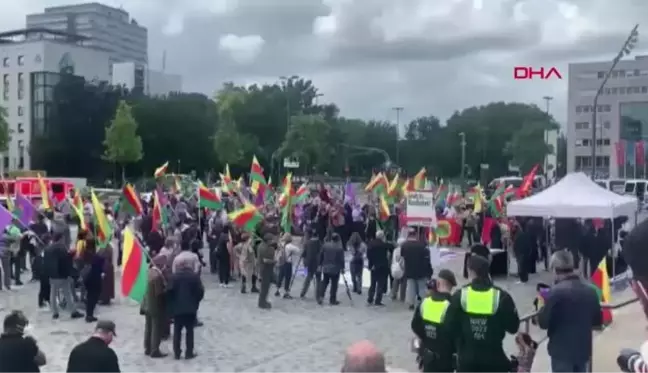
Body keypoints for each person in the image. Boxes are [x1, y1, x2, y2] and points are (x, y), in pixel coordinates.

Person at [445, 255, 519, 373]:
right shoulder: (501, 297)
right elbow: (513, 327)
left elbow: (448, 326)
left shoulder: (460, 296)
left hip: (467, 361)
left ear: (470, 271)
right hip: (494, 360)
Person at [537, 250, 602, 373]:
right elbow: (598, 321)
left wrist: (541, 305)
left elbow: (543, 323)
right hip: (582, 351)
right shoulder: (591, 291)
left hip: (561, 353)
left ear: (555, 269)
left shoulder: (554, 293)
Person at [411, 269, 457, 373]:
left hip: (428, 358)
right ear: (451, 286)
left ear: (438, 283)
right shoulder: (453, 305)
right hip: (447, 360)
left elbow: (415, 326)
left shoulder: (425, 302)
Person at [167, 260, 204, 359]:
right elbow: (200, 291)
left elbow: (169, 292)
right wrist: (195, 302)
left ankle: (177, 353)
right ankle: (189, 352)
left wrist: (172, 305)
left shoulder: (173, 277)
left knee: (177, 332)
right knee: (189, 332)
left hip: (177, 309)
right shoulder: (194, 277)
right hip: (190, 309)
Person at [43, 231, 83, 320]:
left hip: (52, 275)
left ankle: (55, 312)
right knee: (67, 293)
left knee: (53, 294)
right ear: (61, 239)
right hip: (62, 275)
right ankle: (73, 311)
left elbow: (46, 263)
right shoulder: (62, 248)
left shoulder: (47, 249)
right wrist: (71, 255)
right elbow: (65, 262)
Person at [141, 255, 168, 358]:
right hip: (155, 305)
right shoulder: (157, 276)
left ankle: (147, 347)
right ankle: (155, 350)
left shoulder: (148, 273)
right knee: (156, 328)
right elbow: (159, 293)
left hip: (146, 304)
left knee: (148, 327)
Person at [401, 229, 433, 310]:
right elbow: (427, 260)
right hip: (421, 271)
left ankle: (411, 303)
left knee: (411, 288)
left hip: (409, 270)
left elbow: (403, 257)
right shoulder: (422, 246)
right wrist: (429, 271)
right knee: (422, 288)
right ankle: (422, 303)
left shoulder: (404, 245)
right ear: (416, 235)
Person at [318, 233, 345, 305]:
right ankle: (332, 299)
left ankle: (321, 296)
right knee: (334, 285)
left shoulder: (325, 245)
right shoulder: (339, 248)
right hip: (335, 269)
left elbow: (321, 255)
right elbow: (341, 260)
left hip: (326, 267)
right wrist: (342, 268)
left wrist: (320, 264)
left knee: (324, 282)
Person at [366, 231, 390, 306]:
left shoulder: (370, 244)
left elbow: (368, 255)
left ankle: (370, 298)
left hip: (373, 266)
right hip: (382, 266)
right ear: (382, 236)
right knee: (380, 284)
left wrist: (371, 264)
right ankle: (378, 300)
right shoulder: (384, 245)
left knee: (372, 283)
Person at [275, 233, 300, 298]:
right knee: (287, 278)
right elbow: (298, 251)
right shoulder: (290, 246)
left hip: (281, 262)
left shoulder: (281, 244)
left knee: (280, 276)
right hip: (287, 263)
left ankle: (277, 290)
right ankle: (286, 292)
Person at [300, 229, 322, 299]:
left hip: (309, 264)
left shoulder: (307, 243)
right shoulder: (319, 243)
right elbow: (321, 254)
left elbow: (303, 254)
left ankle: (303, 293)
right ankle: (318, 296)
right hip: (317, 264)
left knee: (308, 279)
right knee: (318, 280)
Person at [257, 233, 277, 309]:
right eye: (271, 240)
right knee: (264, 288)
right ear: (268, 240)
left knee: (265, 287)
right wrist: (274, 261)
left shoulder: (262, 246)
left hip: (265, 269)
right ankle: (262, 303)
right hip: (265, 269)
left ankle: (263, 301)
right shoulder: (264, 248)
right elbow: (265, 260)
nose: (272, 241)